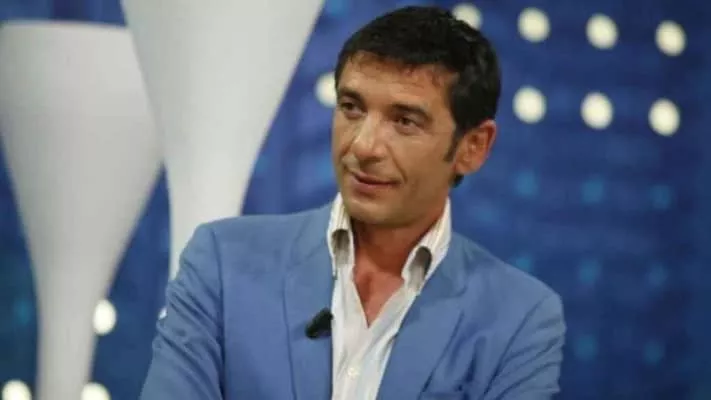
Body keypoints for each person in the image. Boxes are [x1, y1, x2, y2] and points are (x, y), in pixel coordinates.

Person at [140, 6, 566, 400]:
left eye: (404, 121)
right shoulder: (223, 263)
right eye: (351, 108)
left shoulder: (520, 319)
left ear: (473, 146)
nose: (363, 146)